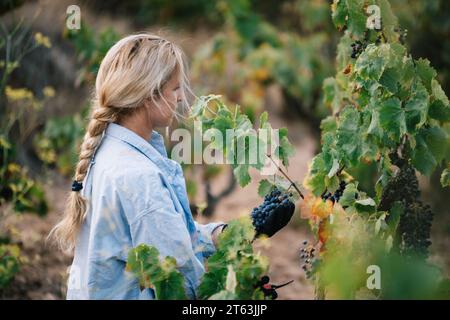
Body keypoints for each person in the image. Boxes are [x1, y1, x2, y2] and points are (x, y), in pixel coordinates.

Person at [49, 33, 294, 299]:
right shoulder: (141, 178)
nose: (180, 98)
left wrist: (232, 233)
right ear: (149, 94)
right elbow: (184, 286)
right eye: (175, 88)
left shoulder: (106, 150)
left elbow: (168, 238)